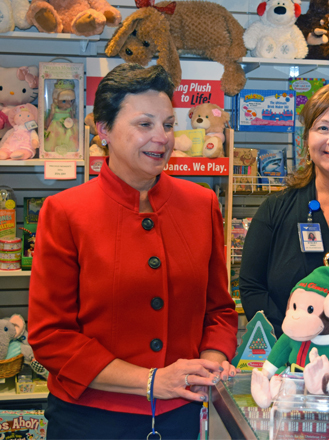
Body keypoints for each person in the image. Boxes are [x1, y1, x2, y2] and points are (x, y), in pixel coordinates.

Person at [28, 64, 239, 440]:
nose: (162, 138)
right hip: (90, 419)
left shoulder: (202, 204)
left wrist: (209, 363)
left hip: (181, 416)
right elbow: (51, 335)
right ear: (103, 129)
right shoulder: (65, 212)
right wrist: (152, 380)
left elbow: (219, 311)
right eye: (145, 124)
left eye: (169, 125)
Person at [240, 82, 329, 337]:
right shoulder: (275, 209)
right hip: (290, 359)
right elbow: (252, 287)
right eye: (323, 128)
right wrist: (291, 341)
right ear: (306, 139)